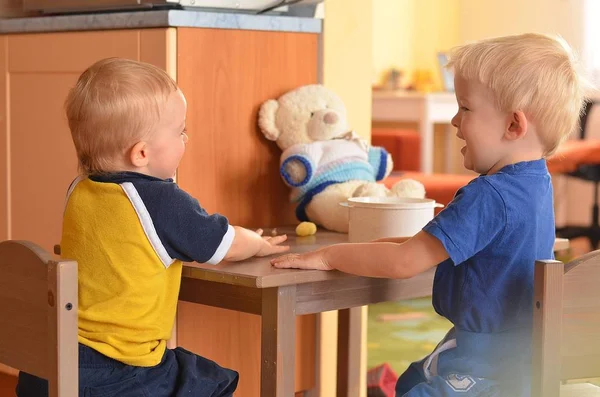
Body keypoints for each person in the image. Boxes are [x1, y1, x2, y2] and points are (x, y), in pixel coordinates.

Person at [271, 33, 587, 396]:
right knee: (411, 378)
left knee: (414, 386)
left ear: (513, 125)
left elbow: (405, 261)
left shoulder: (488, 195)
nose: (454, 120)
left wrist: (328, 256)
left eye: (465, 108)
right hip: (521, 357)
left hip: (488, 370)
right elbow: (421, 245)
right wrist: (372, 246)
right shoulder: (536, 183)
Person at [16, 57, 289, 397]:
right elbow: (225, 245)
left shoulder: (81, 189)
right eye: (180, 131)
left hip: (49, 362)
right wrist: (258, 243)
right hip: (113, 374)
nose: (186, 139)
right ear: (141, 153)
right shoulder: (159, 200)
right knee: (210, 383)